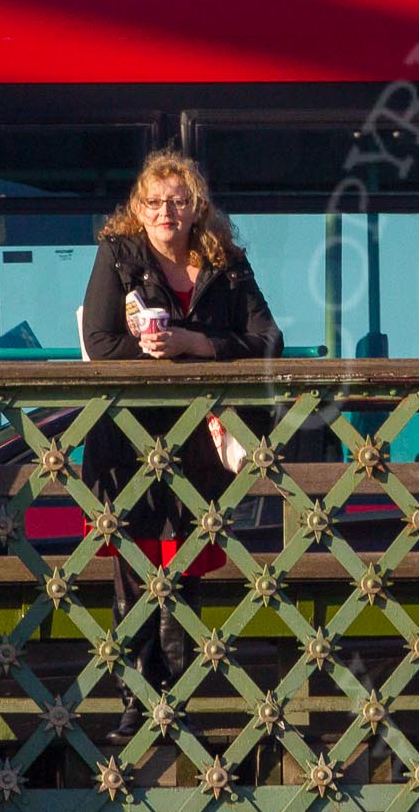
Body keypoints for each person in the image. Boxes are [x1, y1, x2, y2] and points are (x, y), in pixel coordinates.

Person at [81, 150, 283, 742]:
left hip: (198, 445)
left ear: (196, 208)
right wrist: (149, 355)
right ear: (137, 211)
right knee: (135, 574)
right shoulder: (117, 257)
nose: (166, 211)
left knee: (185, 578)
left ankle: (177, 704)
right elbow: (99, 342)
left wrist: (194, 343)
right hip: (128, 445)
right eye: (154, 202)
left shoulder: (230, 263)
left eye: (178, 201)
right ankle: (133, 706)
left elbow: (268, 339)